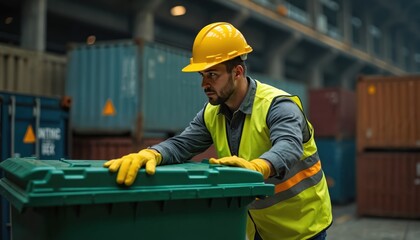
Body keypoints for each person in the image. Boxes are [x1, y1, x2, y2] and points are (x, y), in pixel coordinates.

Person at [104, 22, 332, 240]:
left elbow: (288, 146)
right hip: (262, 229)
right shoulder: (212, 113)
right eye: (202, 75)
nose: (204, 84)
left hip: (304, 226)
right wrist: (152, 153)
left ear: (238, 72)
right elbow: (183, 144)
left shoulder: (278, 106)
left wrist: (257, 167)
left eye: (212, 74)